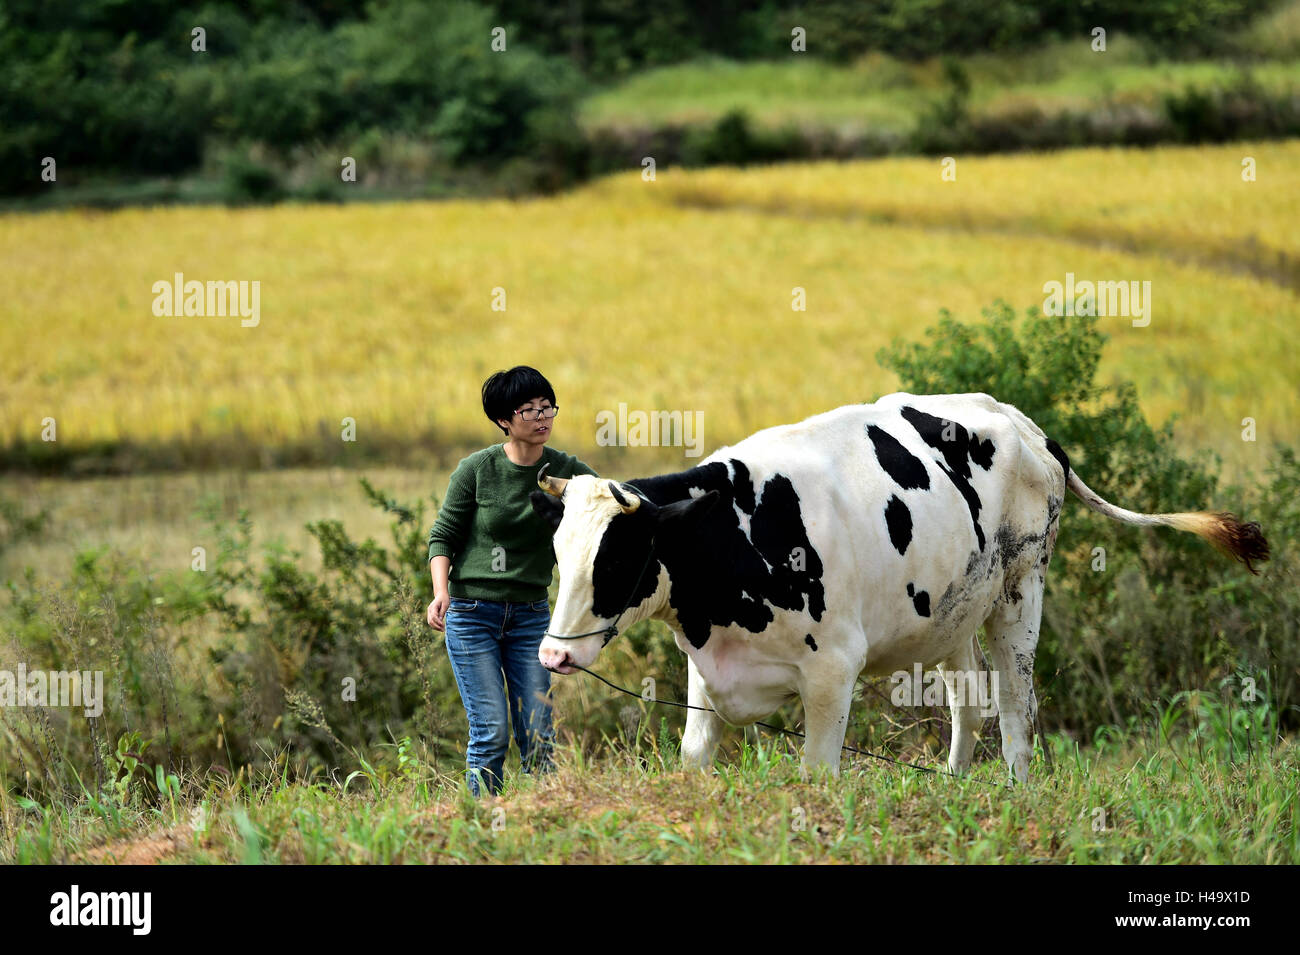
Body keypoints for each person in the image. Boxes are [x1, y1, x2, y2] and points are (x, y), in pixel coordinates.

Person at [426, 365, 598, 797]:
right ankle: (484, 823)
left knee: (538, 733)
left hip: (531, 616)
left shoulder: (567, 470)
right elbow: (443, 535)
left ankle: (545, 817)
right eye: (529, 410)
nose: (542, 418)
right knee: (491, 732)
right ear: (505, 419)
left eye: (548, 408)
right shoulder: (478, 469)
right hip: (472, 615)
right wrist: (440, 592)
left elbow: (606, 502)